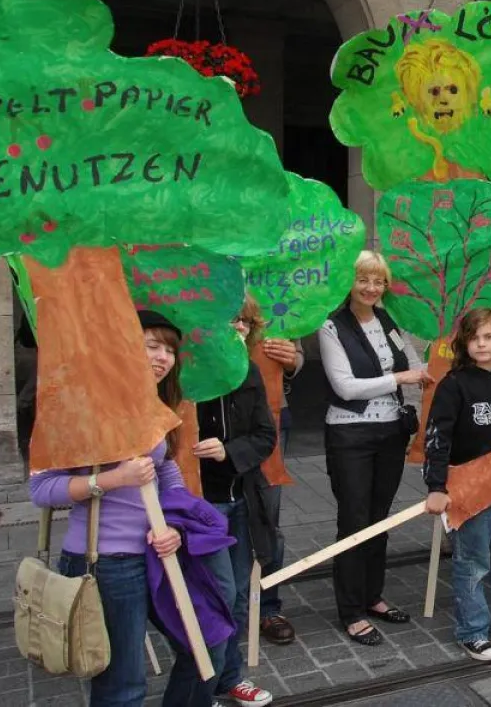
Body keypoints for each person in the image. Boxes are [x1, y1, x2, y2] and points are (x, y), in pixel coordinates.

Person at [28, 310, 232, 706]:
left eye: (169, 350)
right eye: (151, 346)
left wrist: (175, 521)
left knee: (205, 648)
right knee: (122, 686)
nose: (163, 358)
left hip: (157, 553)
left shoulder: (150, 404)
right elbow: (42, 489)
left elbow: (165, 467)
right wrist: (112, 479)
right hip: (106, 563)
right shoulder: (79, 405)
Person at [319, 251, 433, 645]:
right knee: (354, 519)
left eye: (378, 281)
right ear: (348, 282)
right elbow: (345, 387)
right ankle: (350, 610)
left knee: (380, 518)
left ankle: (372, 596)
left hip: (390, 433)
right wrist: (400, 377)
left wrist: (425, 373)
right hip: (350, 435)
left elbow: (415, 361)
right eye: (363, 279)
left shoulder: (388, 320)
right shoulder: (331, 326)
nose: (371, 288)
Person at [423, 308, 491, 661]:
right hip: (469, 489)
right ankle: (472, 630)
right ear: (464, 343)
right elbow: (437, 437)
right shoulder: (454, 385)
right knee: (472, 561)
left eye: (489, 337)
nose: (482, 344)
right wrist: (437, 486)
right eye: (474, 338)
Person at [197, 297, 278, 707]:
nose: (240, 328)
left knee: (238, 595)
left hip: (241, 500)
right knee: (219, 594)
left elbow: (266, 436)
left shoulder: (250, 373)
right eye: (232, 319)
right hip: (202, 504)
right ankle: (204, 683)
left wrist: (228, 451)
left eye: (245, 321)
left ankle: (230, 678)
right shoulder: (191, 374)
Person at [256, 337, 303, 645]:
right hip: (210, 409)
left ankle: (267, 606)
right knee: (215, 514)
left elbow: (297, 356)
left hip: (269, 412)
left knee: (267, 516)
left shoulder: (276, 291)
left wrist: (291, 361)